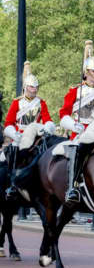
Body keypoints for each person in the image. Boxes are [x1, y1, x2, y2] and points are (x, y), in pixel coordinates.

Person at [59, 40, 94, 205]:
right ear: (86, 73)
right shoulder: (75, 91)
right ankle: (72, 187)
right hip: (79, 132)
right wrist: (73, 125)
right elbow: (63, 114)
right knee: (78, 151)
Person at [3, 61, 55, 199]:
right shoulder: (17, 103)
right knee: (11, 154)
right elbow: (8, 122)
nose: (35, 89)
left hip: (36, 135)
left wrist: (48, 127)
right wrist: (14, 134)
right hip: (19, 135)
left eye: (36, 87)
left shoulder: (41, 102)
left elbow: (47, 119)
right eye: (32, 87)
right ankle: (12, 184)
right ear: (26, 87)